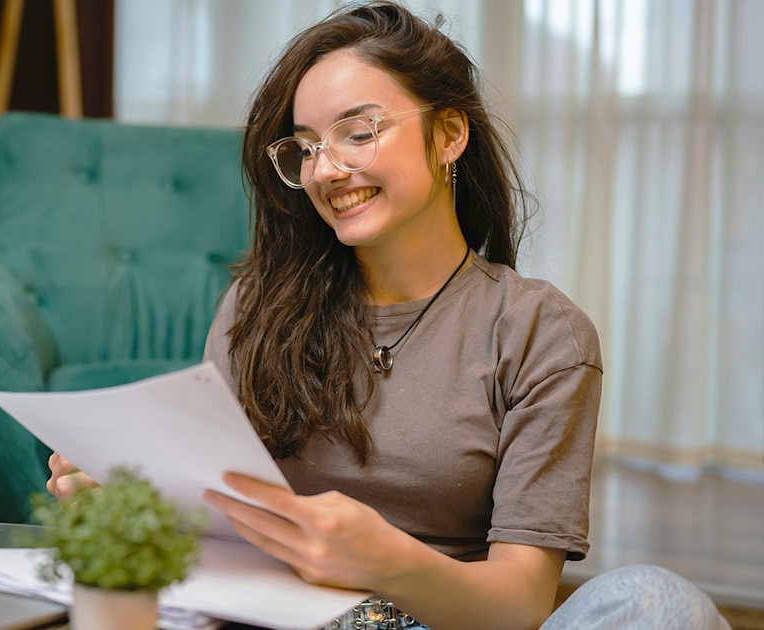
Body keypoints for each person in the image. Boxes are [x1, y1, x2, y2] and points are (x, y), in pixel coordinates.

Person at [48, 3, 729, 629]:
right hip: (261, 618)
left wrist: (385, 561)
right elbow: (207, 523)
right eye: (307, 146)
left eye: (359, 131)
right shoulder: (256, 307)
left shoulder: (540, 332)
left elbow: (520, 603)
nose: (326, 169)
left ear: (449, 135)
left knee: (655, 603)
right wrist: (123, 500)